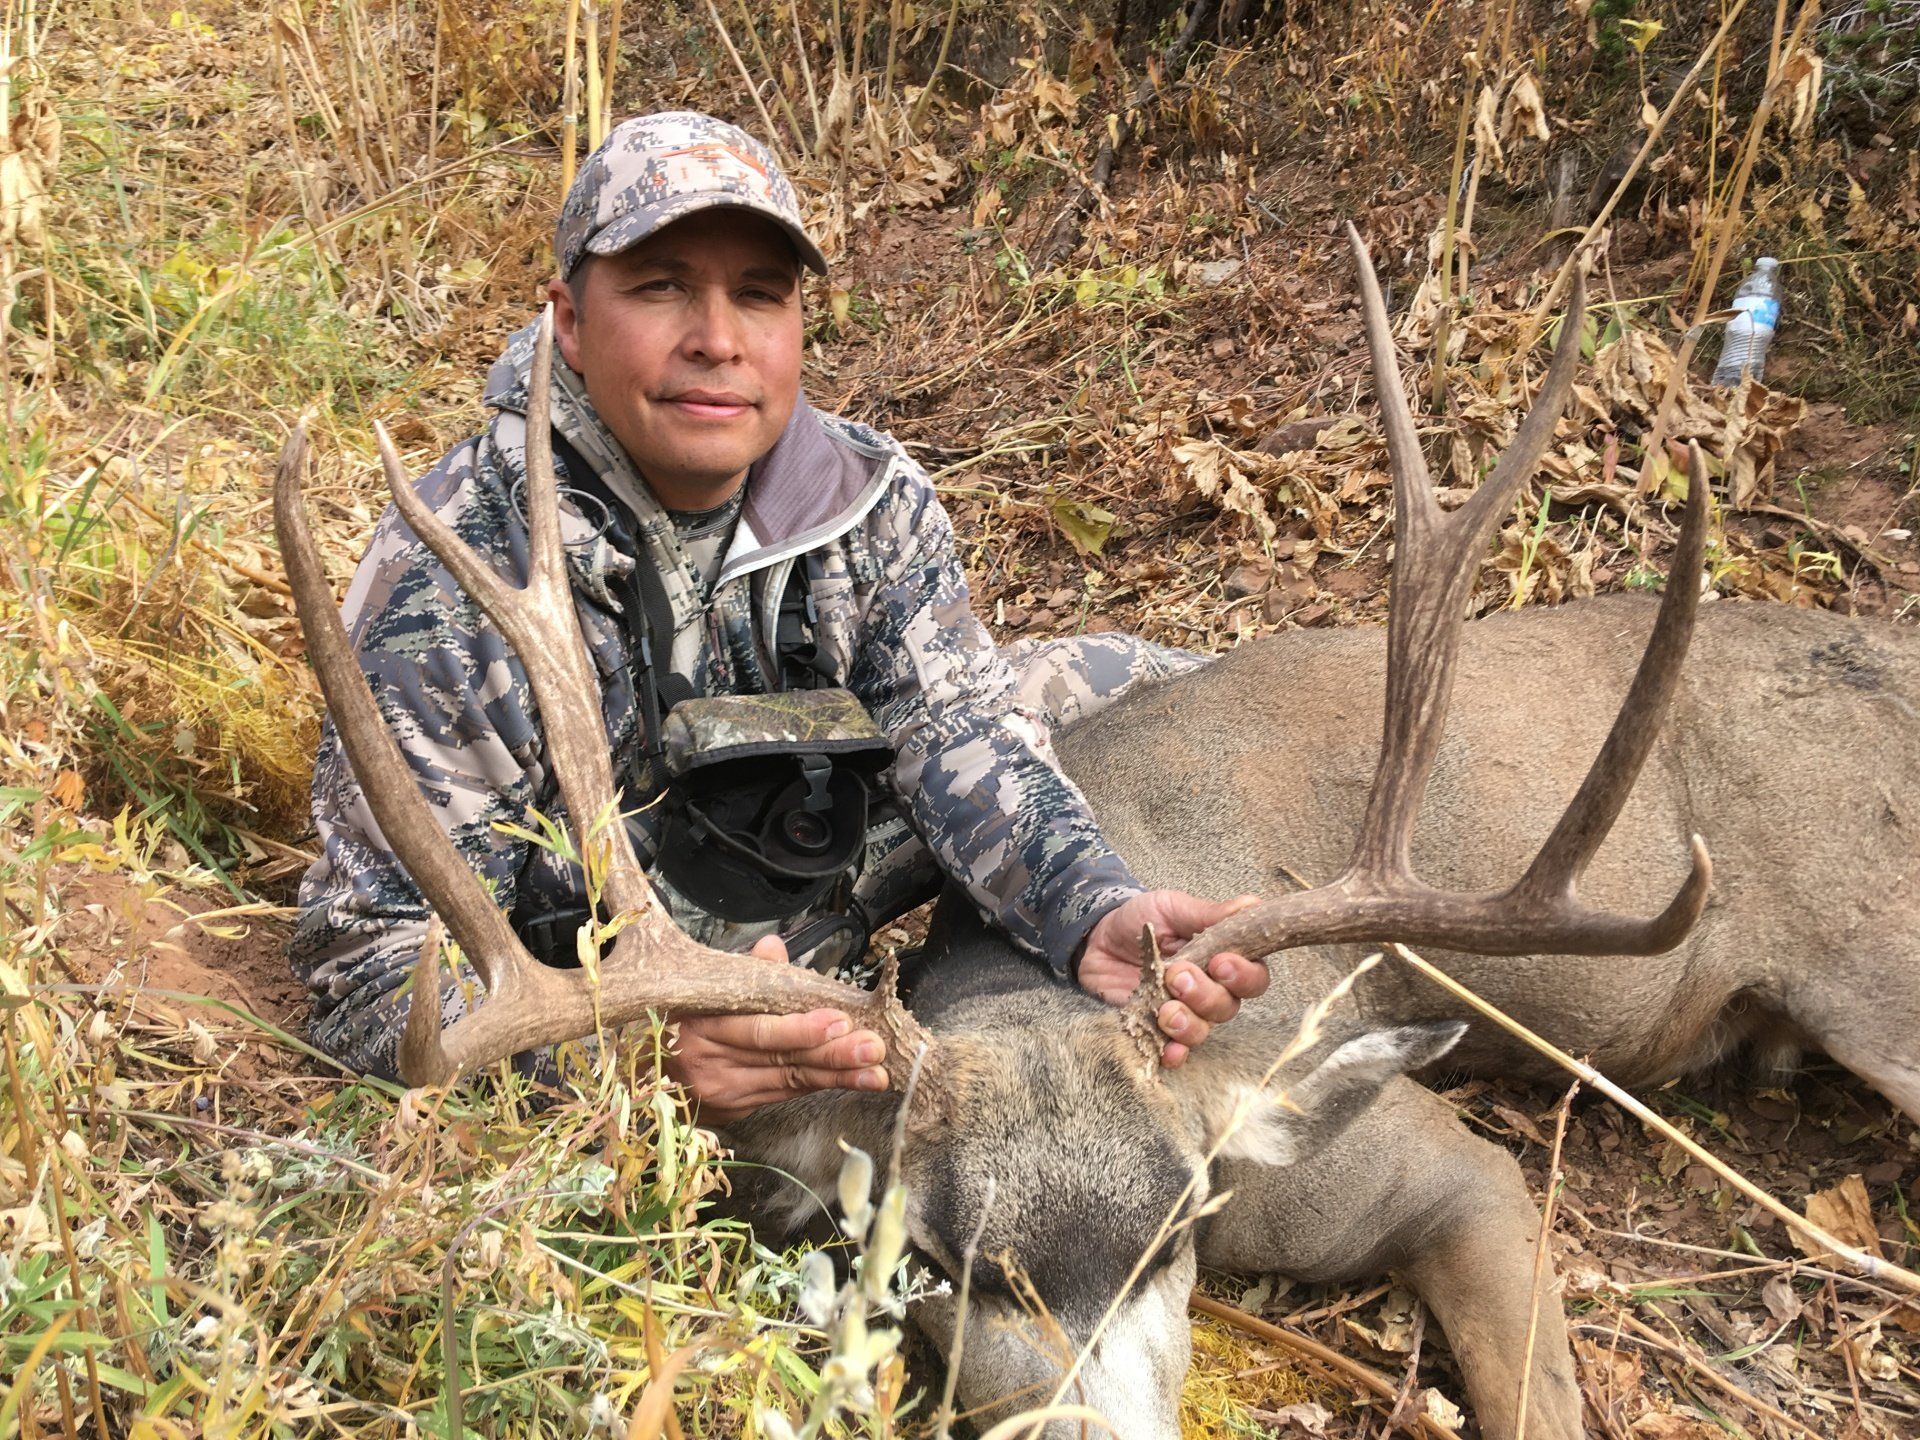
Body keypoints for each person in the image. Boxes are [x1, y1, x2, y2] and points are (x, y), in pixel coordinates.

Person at [289, 112, 1268, 1121]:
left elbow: (956, 734)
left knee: (1122, 677)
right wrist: (628, 1067)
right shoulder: (451, 577)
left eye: (758, 294)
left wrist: (1091, 910)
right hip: (607, 961)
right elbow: (369, 968)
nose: (717, 341)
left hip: (818, 851)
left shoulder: (867, 499)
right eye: (662, 286)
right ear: (568, 323)